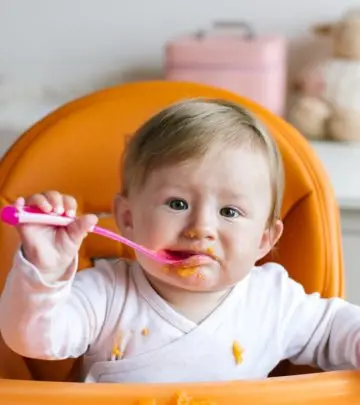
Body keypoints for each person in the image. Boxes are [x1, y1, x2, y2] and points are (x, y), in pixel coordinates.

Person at [1, 99, 360, 384]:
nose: (200, 227)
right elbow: (32, 339)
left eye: (230, 212)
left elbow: (336, 330)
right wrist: (44, 271)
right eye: (177, 204)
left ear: (265, 239)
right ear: (127, 219)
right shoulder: (105, 294)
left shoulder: (274, 301)